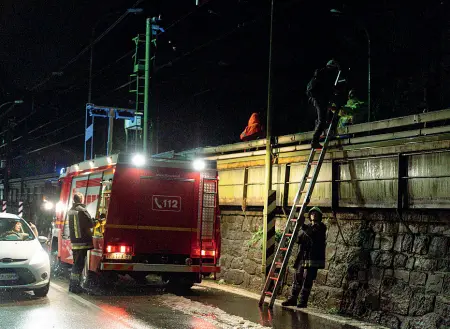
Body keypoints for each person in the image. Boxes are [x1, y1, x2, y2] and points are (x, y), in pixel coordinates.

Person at [282, 207, 327, 308]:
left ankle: (303, 301)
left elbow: (312, 234)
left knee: (307, 279)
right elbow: (299, 239)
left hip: (313, 257)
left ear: (320, 216)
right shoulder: (307, 226)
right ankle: (293, 298)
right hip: (303, 256)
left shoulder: (321, 227)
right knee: (297, 277)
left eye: (316, 213)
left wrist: (301, 225)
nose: (314, 215)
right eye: (312, 213)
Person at [306, 60, 342, 149]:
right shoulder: (326, 74)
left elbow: (325, 89)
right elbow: (327, 89)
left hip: (318, 99)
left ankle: (319, 133)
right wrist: (335, 91)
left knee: (321, 119)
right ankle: (315, 141)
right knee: (322, 120)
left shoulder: (321, 73)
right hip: (319, 99)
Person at [67, 192, 94, 293]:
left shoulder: (71, 210)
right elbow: (90, 224)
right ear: (81, 199)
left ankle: (73, 285)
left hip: (75, 242)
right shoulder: (82, 210)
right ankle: (75, 286)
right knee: (79, 265)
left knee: (76, 264)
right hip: (83, 241)